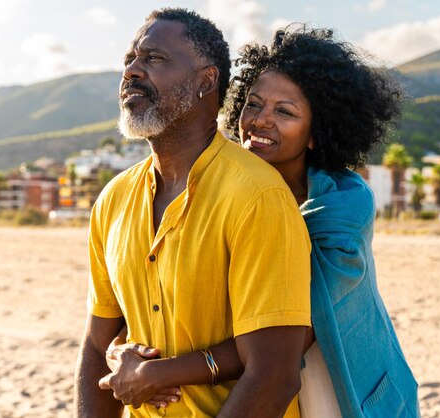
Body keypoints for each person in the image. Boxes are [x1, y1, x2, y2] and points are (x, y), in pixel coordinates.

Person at [109, 25, 420, 417]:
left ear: (315, 133)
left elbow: (295, 328)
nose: (260, 121)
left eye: (285, 112)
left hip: (341, 381)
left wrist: (160, 373)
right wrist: (119, 351)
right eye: (253, 104)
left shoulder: (343, 203)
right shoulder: (225, 189)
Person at [73, 8, 312, 418]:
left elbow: (273, 374)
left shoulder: (258, 196)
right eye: (129, 59)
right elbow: (97, 347)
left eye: (154, 58)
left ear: (206, 80)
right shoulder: (112, 200)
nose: (131, 71)